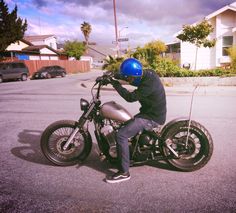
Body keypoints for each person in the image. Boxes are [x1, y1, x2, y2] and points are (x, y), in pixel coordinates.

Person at [105, 58, 167, 184]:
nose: (129, 80)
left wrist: (115, 84)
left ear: (136, 75)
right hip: (148, 112)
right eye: (128, 78)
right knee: (124, 124)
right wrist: (113, 76)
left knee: (121, 134)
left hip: (152, 117)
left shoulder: (148, 84)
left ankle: (124, 172)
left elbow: (130, 97)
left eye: (130, 79)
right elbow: (127, 76)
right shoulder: (146, 73)